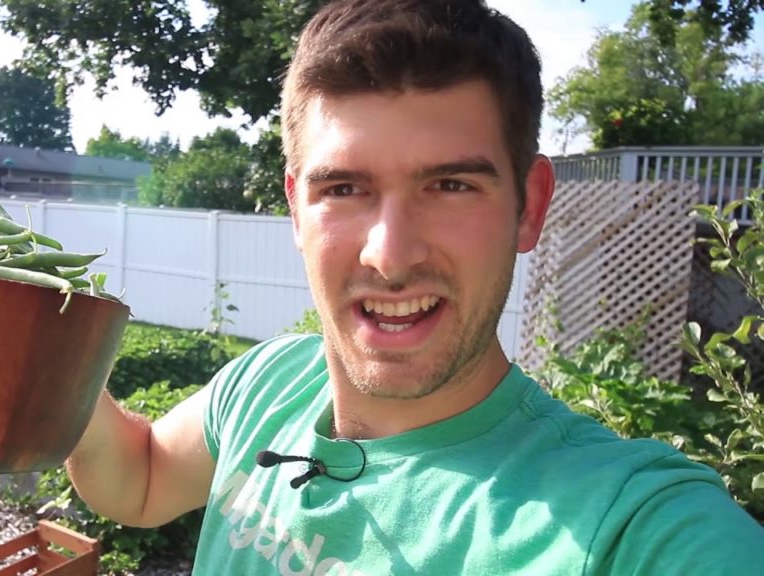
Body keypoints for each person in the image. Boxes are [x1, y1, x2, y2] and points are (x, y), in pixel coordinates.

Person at [65, 0, 764, 574]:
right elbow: (143, 478)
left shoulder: (626, 528)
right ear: (296, 212)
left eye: (451, 185)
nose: (390, 255)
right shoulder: (267, 383)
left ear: (531, 206)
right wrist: (38, 351)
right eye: (343, 188)